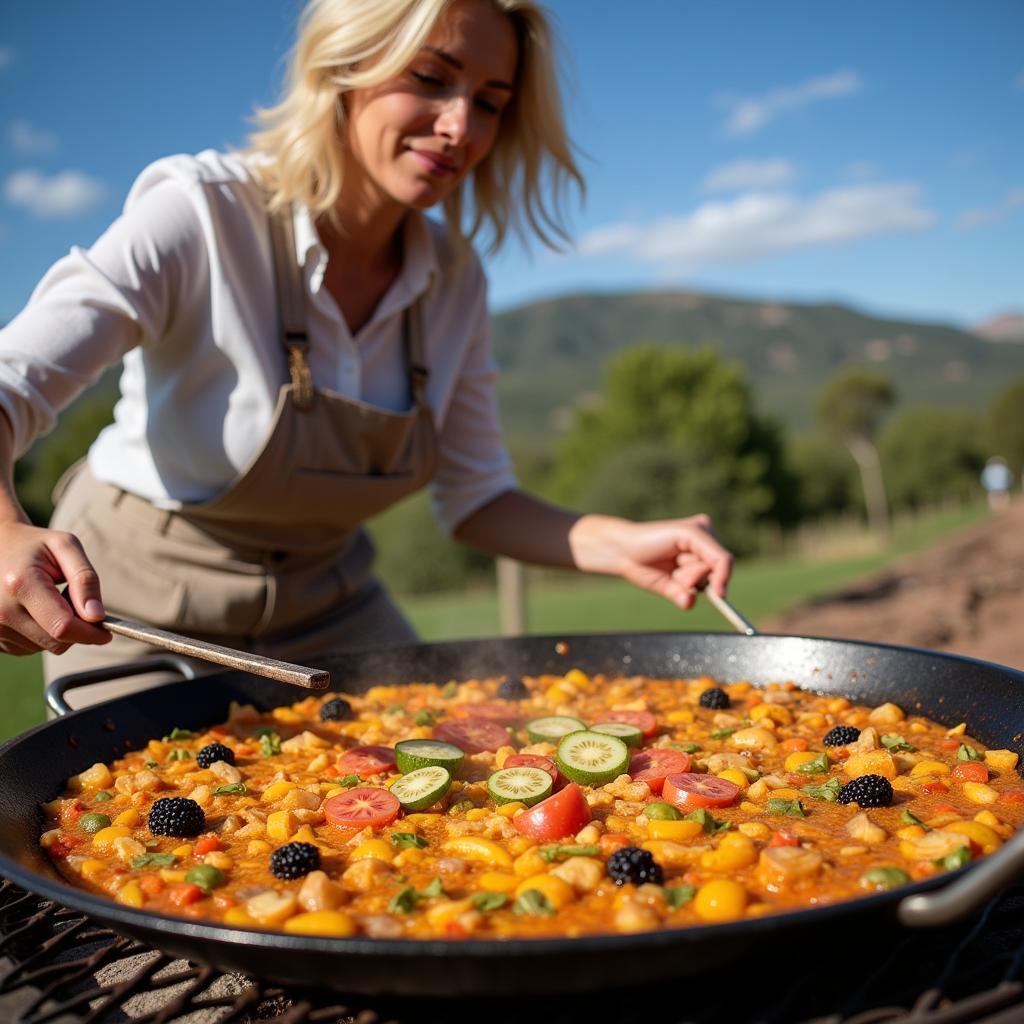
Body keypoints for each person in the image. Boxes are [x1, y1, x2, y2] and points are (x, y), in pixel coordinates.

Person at [0, 0, 732, 706]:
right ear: (344, 66)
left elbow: (477, 498)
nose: (460, 127)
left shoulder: (456, 280)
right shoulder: (201, 215)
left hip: (333, 610)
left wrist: (620, 543)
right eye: (430, 77)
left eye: (490, 101)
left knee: (464, 776)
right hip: (135, 610)